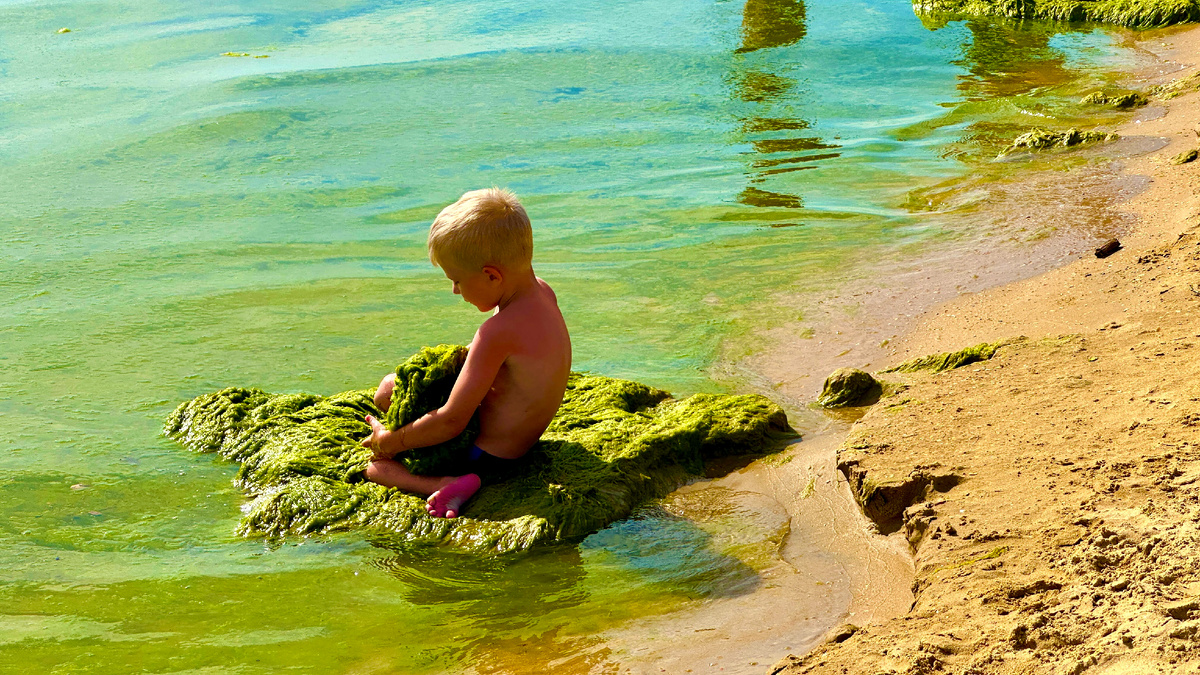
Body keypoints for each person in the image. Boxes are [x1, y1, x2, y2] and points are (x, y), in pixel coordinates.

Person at [360, 188, 572, 518]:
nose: (455, 290)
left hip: (484, 455)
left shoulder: (496, 332)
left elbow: (452, 421)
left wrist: (390, 443)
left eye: (457, 280)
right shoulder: (543, 292)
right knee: (389, 388)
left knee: (376, 468)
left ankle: (446, 483)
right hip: (522, 443)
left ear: (491, 275)